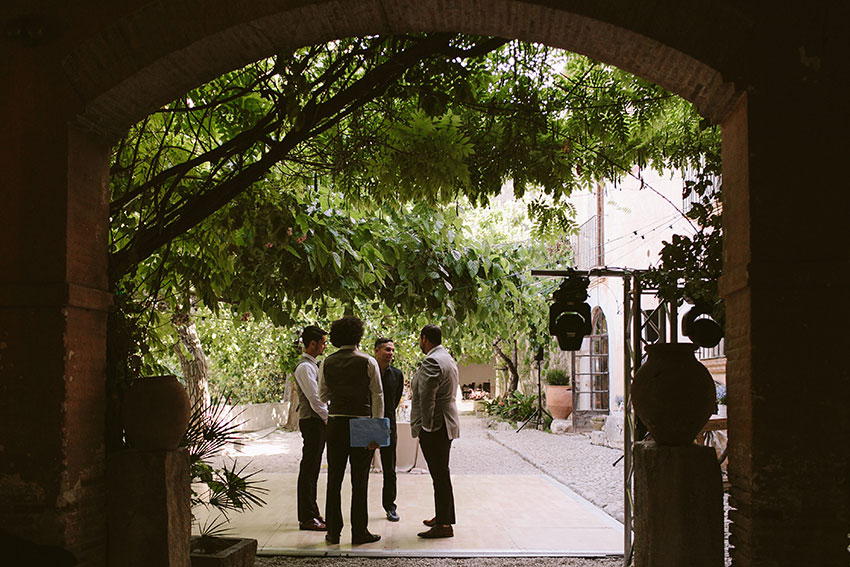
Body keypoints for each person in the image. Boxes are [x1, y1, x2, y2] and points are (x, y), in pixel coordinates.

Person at [318, 316, 384, 545]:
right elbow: (378, 396)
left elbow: (322, 395)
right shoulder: (368, 362)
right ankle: (359, 532)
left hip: (336, 423)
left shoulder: (326, 362)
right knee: (360, 479)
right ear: (358, 335)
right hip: (362, 422)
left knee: (334, 479)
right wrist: (377, 430)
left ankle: (333, 532)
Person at [409, 324, 460, 538]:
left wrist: (427, 427)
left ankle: (445, 525)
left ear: (424, 339)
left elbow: (428, 397)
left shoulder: (432, 360)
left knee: (440, 475)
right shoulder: (446, 357)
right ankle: (443, 517)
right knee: (441, 474)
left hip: (436, 425)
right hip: (446, 422)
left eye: (420, 340)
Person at [292, 325, 329, 532]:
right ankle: (307, 517)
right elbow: (316, 399)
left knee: (313, 468)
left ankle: (312, 512)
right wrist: (327, 419)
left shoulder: (313, 365)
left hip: (317, 422)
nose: (324, 346)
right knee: (309, 469)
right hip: (313, 422)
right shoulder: (305, 368)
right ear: (312, 343)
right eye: (322, 342)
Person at [374, 337, 404, 522]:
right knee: (362, 468)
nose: (391, 354)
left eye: (392, 350)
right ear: (376, 351)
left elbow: (395, 399)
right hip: (369, 424)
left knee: (389, 468)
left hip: (388, 424)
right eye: (387, 350)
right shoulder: (368, 372)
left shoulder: (397, 375)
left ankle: (390, 506)